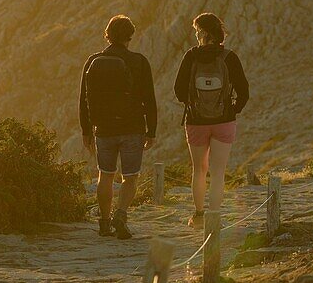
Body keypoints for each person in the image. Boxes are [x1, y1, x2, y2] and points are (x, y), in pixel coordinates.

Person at [79, 15, 157, 239]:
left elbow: (83, 99)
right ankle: (121, 215)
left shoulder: (93, 60)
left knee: (105, 175)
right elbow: (149, 99)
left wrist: (86, 130)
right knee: (130, 177)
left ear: (107, 35)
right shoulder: (139, 61)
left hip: (103, 129)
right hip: (133, 128)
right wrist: (151, 131)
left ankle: (104, 222)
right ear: (130, 36)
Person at [174, 12, 249, 228]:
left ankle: (198, 216)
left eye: (198, 31)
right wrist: (232, 110)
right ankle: (214, 217)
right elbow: (244, 91)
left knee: (199, 170)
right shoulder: (229, 57)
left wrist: (193, 104)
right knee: (218, 172)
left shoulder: (191, 56)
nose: (196, 35)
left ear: (205, 33)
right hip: (224, 121)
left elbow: (178, 90)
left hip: (196, 121)